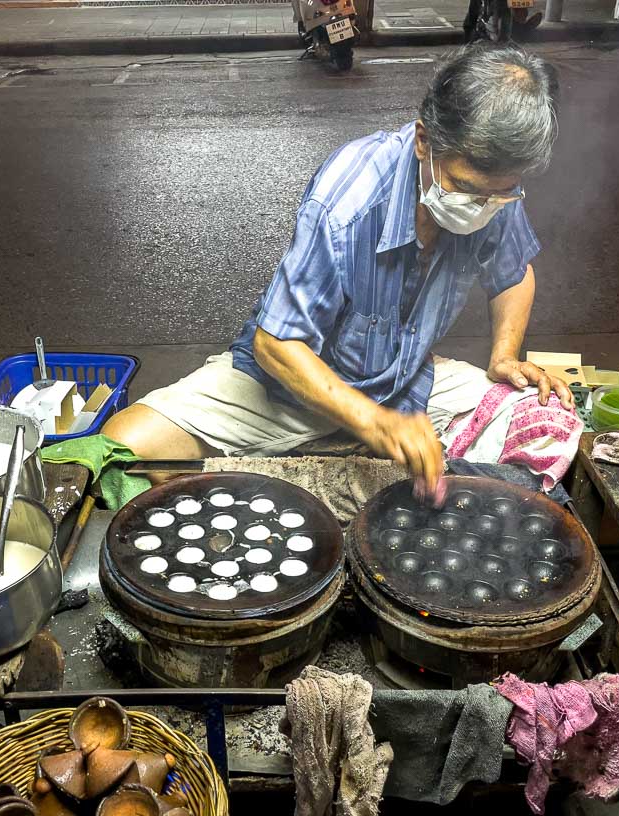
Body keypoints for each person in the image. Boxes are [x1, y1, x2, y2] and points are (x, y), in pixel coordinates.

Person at [104, 44, 573, 498]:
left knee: (549, 417)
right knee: (126, 448)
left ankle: (370, 466)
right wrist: (373, 422)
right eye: (466, 188)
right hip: (295, 391)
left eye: (499, 194)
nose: (481, 206)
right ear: (424, 140)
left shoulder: (494, 192)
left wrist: (505, 355)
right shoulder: (348, 203)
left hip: (405, 381)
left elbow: (514, 272)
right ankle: (344, 458)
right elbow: (276, 345)